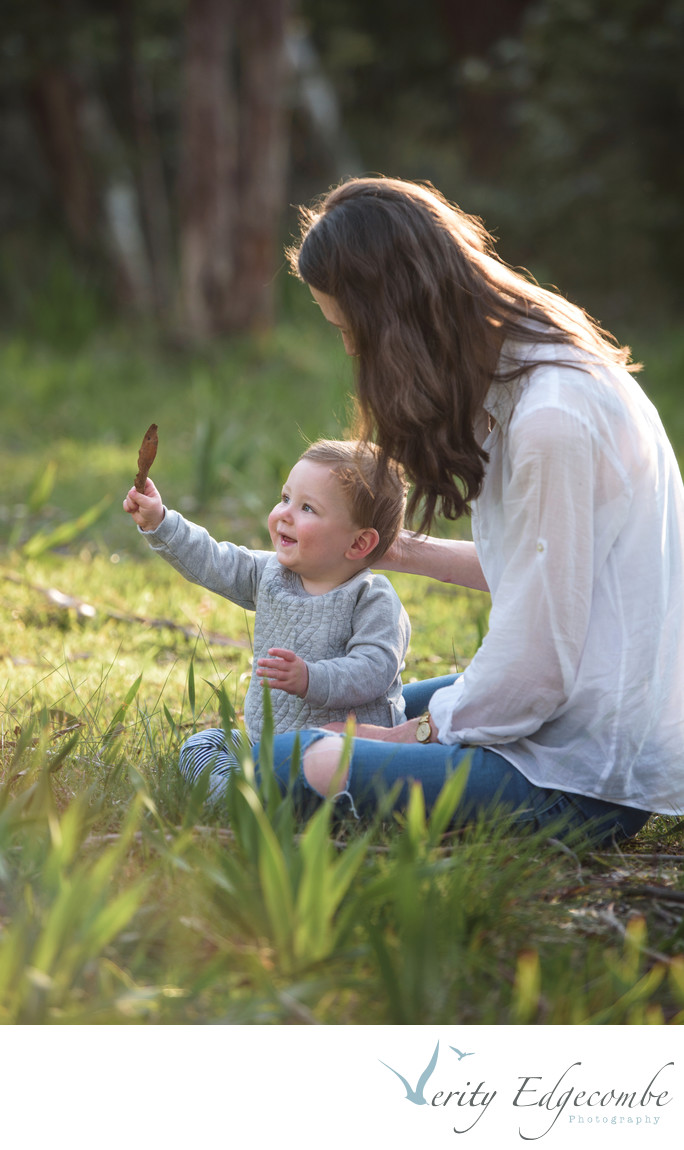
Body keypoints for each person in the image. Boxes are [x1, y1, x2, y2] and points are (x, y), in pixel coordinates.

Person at [242, 175, 684, 847]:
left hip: (581, 776)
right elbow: (551, 575)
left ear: (393, 317)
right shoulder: (541, 369)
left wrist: (407, 733)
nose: (353, 351)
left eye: (348, 329)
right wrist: (400, 551)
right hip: (581, 709)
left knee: (286, 757)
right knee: (318, 720)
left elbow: (534, 671)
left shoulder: (549, 419)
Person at [123, 437, 411, 798]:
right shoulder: (272, 574)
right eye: (286, 498)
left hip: (339, 750)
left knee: (323, 775)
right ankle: (238, 794)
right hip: (267, 742)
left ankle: (265, 797)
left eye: (307, 508)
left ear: (357, 544)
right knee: (204, 744)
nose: (285, 514)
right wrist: (161, 523)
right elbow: (216, 562)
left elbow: (374, 669)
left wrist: (310, 678)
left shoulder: (371, 598)